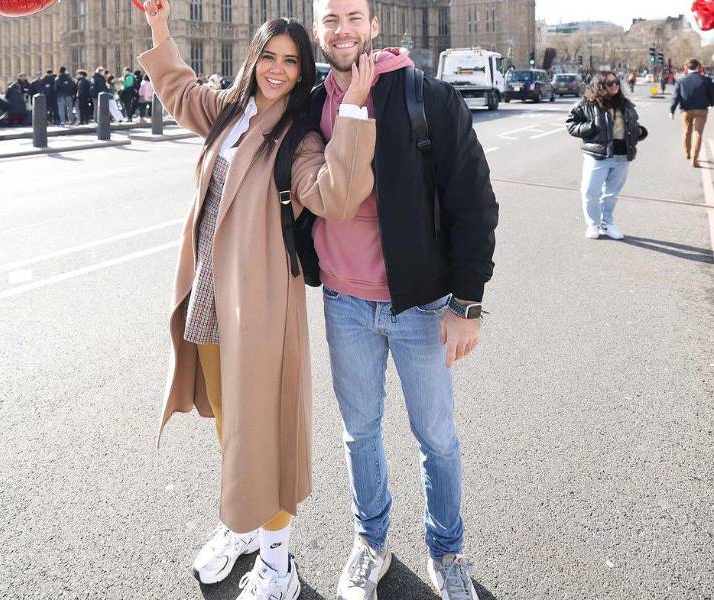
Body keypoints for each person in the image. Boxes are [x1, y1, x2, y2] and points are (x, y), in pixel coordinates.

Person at [139, 2, 376, 599]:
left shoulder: (299, 136)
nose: (276, 69)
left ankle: (278, 562)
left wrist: (352, 110)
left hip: (262, 301)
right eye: (268, 56)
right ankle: (241, 524)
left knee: (263, 428)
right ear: (253, 57)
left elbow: (336, 196)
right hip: (210, 293)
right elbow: (177, 87)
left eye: (291, 62)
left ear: (302, 73)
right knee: (232, 421)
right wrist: (160, 27)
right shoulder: (227, 111)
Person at [308, 1, 498, 599]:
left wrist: (467, 302)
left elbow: (474, 201)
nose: (343, 30)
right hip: (343, 301)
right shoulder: (309, 103)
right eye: (331, 18)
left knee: (436, 438)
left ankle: (448, 552)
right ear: (317, 29)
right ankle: (371, 543)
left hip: (418, 304)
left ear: (373, 24)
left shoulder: (426, 96)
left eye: (354, 16)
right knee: (359, 433)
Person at [566, 71, 648, 240]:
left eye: (616, 82)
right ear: (601, 85)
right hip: (598, 155)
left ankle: (607, 223)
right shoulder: (588, 103)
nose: (615, 86)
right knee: (590, 192)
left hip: (622, 156)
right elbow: (571, 124)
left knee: (611, 194)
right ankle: (593, 224)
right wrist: (590, 128)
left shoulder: (625, 104)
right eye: (610, 83)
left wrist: (639, 132)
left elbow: (632, 124)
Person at [669, 58, 714, 167]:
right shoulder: (706, 80)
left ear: (686, 68)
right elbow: (712, 94)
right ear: (698, 67)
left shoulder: (681, 80)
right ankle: (694, 158)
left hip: (686, 110)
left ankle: (687, 153)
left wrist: (672, 110)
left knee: (686, 132)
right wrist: (712, 104)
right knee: (698, 133)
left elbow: (676, 97)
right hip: (701, 110)